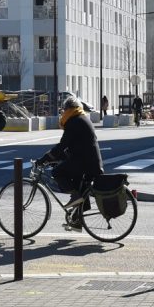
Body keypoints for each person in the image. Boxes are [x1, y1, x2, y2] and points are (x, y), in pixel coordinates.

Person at [36, 97, 103, 230]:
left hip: (85, 162)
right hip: (90, 161)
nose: (62, 113)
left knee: (57, 172)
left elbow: (62, 145)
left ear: (69, 109)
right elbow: (72, 145)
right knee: (77, 184)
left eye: (64, 109)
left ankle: (75, 197)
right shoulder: (81, 118)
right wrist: (56, 159)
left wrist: (45, 159)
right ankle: (76, 221)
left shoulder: (74, 121)